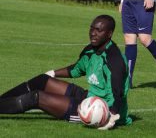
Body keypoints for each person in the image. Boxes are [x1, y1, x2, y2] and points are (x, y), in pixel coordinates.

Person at [0, 15, 132, 130]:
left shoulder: (115, 59)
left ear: (109, 34)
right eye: (92, 28)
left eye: (98, 30)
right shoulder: (91, 50)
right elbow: (76, 69)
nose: (93, 33)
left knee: (37, 97)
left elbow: (117, 93)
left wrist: (110, 115)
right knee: (42, 80)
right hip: (89, 96)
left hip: (100, 110)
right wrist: (52, 73)